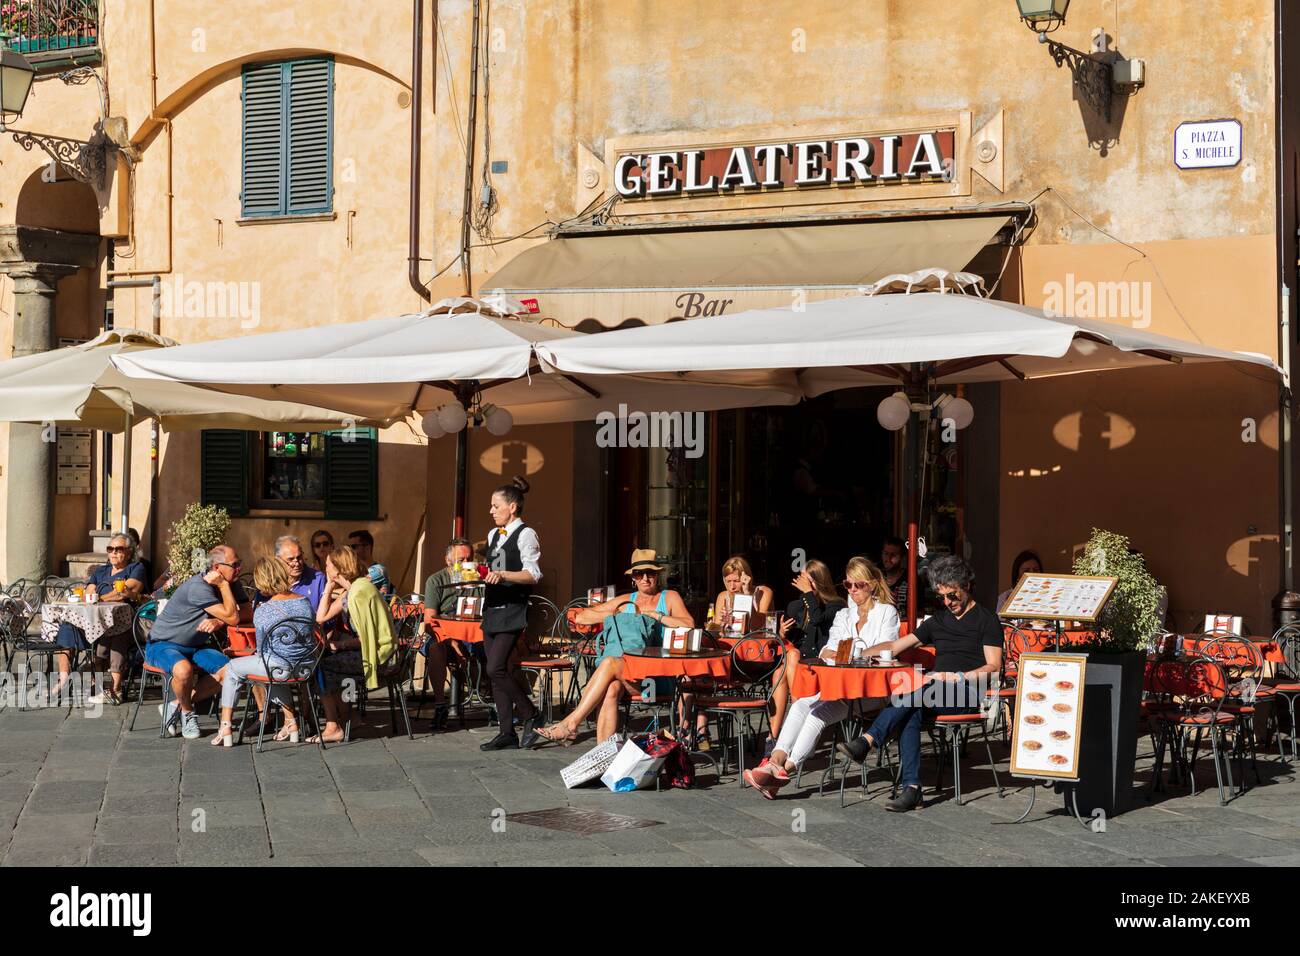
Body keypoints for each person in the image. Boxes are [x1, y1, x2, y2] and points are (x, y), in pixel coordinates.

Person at [835, 555, 1004, 813]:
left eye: (952, 596)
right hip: (932, 693)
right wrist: (857, 654)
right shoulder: (938, 620)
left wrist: (956, 677)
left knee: (915, 692)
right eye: (942, 597)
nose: (947, 603)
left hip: (967, 692)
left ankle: (869, 740)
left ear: (967, 586)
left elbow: (993, 667)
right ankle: (912, 789)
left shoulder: (986, 619)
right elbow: (894, 646)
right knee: (911, 706)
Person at [747, 557, 899, 797]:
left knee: (816, 713)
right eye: (848, 585)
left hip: (871, 691)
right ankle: (775, 762)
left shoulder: (886, 612)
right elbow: (827, 651)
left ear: (871, 584)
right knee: (800, 707)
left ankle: (781, 773)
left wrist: (851, 653)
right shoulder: (844, 616)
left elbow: (886, 647)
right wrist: (853, 653)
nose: (852, 590)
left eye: (857, 585)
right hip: (840, 687)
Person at [530, 549, 693, 748]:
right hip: (628, 674)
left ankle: (571, 723)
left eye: (650, 573)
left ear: (657, 574)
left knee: (609, 663)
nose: (645, 578)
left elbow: (689, 625)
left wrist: (655, 616)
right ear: (633, 578)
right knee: (611, 688)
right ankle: (604, 752)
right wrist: (616, 614)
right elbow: (581, 617)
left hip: (657, 676)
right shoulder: (627, 602)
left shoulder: (668, 597)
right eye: (639, 574)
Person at [145, 545, 252, 739]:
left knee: (231, 672)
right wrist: (223, 588)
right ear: (218, 567)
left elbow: (247, 611)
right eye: (235, 564)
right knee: (183, 670)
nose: (239, 569)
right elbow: (234, 617)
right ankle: (187, 713)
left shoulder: (231, 582)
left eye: (239, 563)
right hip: (162, 643)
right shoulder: (199, 587)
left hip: (196, 645)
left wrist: (220, 620)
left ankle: (175, 706)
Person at [211, 557, 313, 747]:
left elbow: (262, 649)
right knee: (271, 670)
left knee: (234, 668)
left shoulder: (264, 610)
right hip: (305, 668)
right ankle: (291, 723)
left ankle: (225, 726)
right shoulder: (305, 602)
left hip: (279, 667)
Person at [477, 477, 545, 751]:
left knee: (496, 668)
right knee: (495, 673)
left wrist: (503, 574)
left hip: (513, 610)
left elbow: (533, 574)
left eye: (496, 506)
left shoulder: (526, 534)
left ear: (512, 507)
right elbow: (493, 569)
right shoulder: (494, 535)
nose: (491, 511)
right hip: (492, 609)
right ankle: (507, 732)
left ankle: (531, 714)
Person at [312, 545, 397, 743]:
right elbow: (321, 617)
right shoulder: (353, 589)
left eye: (328, 565)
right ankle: (350, 718)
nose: (325, 568)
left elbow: (367, 640)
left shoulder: (358, 593)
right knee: (334, 667)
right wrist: (328, 587)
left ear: (338, 568)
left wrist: (340, 646)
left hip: (380, 657)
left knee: (321, 666)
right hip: (373, 652)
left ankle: (335, 724)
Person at [52, 532, 147, 705]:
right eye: (110, 549)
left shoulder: (136, 568)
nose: (113, 553)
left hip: (123, 620)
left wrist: (101, 597)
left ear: (129, 551)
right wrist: (98, 595)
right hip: (94, 620)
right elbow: (89, 592)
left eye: (119, 549)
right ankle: (63, 679)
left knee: (119, 630)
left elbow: (124, 591)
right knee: (67, 626)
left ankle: (115, 689)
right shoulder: (101, 570)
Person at [764, 559, 846, 749]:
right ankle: (773, 736)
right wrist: (782, 634)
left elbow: (817, 619)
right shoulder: (796, 606)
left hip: (821, 663)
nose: (802, 584)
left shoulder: (836, 606)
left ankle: (794, 717)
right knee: (782, 668)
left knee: (789, 660)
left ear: (818, 581)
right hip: (798, 664)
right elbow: (793, 642)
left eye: (807, 580)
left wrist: (809, 593)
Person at [421, 536, 474, 728]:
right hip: (443, 635)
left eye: (470, 559)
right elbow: (430, 621)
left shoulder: (477, 581)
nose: (467, 564)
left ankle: (494, 704)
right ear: (448, 561)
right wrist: (453, 642)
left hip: (470, 634)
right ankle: (440, 705)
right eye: (462, 561)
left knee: (493, 645)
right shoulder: (436, 580)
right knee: (436, 648)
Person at [712, 556, 773, 622]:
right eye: (728, 581)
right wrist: (723, 623)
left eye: (736, 581)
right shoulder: (723, 596)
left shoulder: (763, 592)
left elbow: (758, 626)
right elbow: (717, 629)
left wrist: (746, 594)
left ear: (746, 578)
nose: (732, 587)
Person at [348, 529, 393, 598]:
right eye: (349, 547)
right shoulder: (358, 571)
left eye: (354, 547)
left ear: (367, 547)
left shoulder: (379, 570)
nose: (350, 551)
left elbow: (355, 588)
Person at [881, 536, 909, 612]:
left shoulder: (910, 578)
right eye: (886, 553)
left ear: (902, 557)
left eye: (893, 555)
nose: (888, 558)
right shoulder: (876, 578)